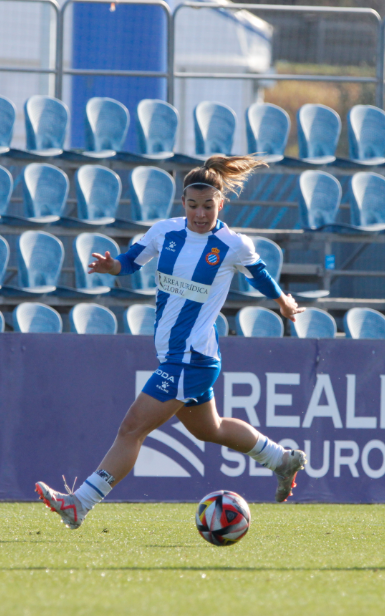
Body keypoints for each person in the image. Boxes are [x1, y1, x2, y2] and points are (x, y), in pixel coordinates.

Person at [36, 155, 308, 529]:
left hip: (191, 358)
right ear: (183, 203)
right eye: (193, 205)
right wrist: (112, 266)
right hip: (181, 357)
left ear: (221, 204)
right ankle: (281, 459)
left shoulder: (231, 244)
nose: (200, 214)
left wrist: (283, 302)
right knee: (209, 429)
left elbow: (260, 275)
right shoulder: (165, 233)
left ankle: (79, 503)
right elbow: (131, 261)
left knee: (132, 429)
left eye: (208, 206)